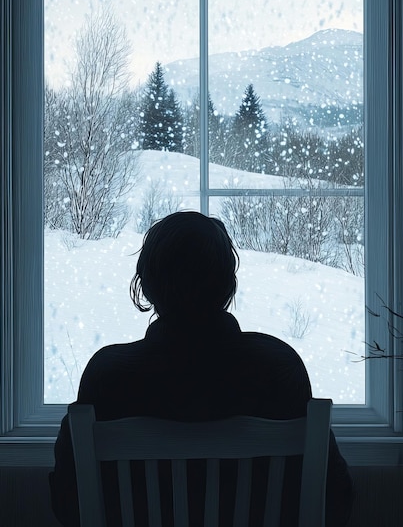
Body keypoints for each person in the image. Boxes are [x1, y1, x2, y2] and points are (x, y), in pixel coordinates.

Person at [49, 211, 353, 526]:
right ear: (227, 286)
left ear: (148, 287)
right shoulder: (279, 368)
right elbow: (333, 498)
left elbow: (70, 503)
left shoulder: (107, 376)